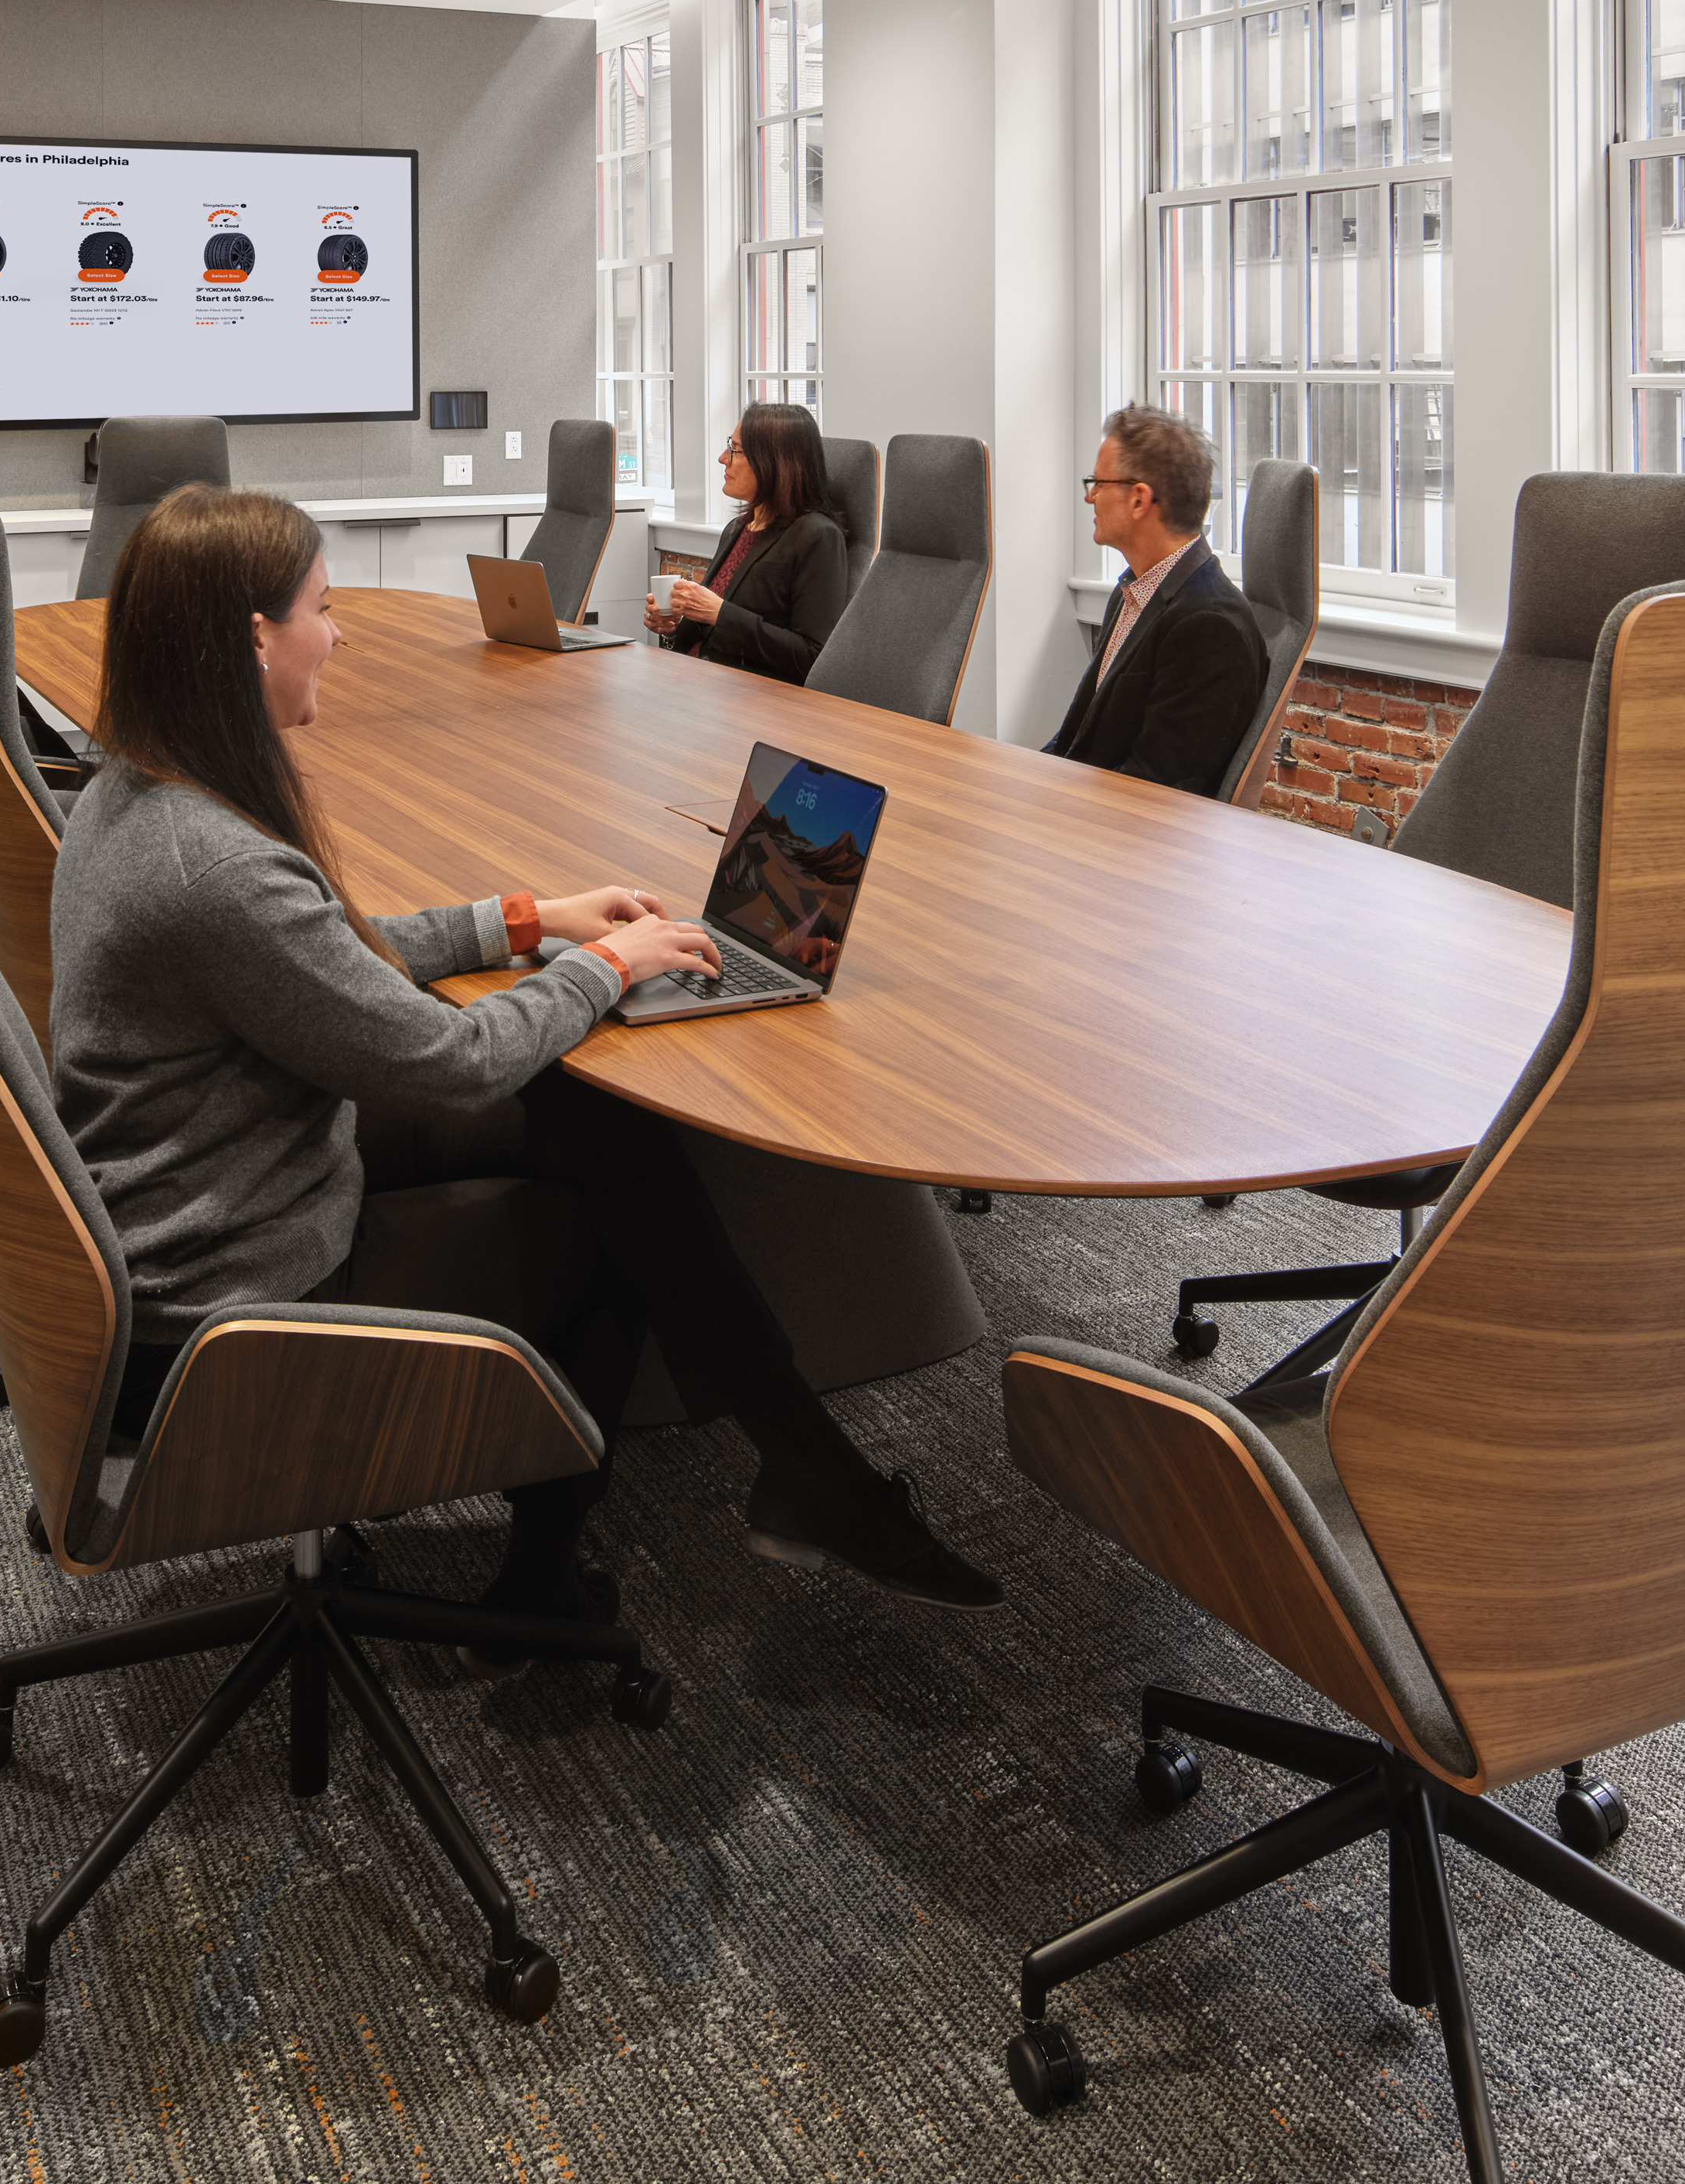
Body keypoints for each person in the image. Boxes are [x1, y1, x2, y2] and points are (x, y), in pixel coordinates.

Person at [49, 483, 999, 1628]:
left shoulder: (142, 794)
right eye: (322, 608)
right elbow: (451, 1060)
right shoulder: (214, 865)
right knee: (613, 1239)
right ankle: (549, 1588)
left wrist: (532, 919)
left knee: (602, 1124)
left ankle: (808, 1470)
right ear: (255, 638)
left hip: (204, 1200)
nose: (338, 634)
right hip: (229, 1307)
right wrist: (610, 968)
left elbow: (325, 954)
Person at [1042, 403, 1258, 798]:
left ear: (1139, 499)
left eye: (1098, 483)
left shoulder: (1209, 626)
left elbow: (1153, 791)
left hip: (1118, 841)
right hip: (1078, 809)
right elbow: (1079, 741)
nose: (1090, 498)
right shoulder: (1136, 589)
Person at [642, 402, 853, 681]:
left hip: (750, 702)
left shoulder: (817, 536)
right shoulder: (737, 528)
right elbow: (708, 636)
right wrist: (673, 627)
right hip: (695, 682)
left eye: (735, 450)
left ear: (774, 461)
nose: (722, 458)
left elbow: (812, 658)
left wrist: (719, 614)